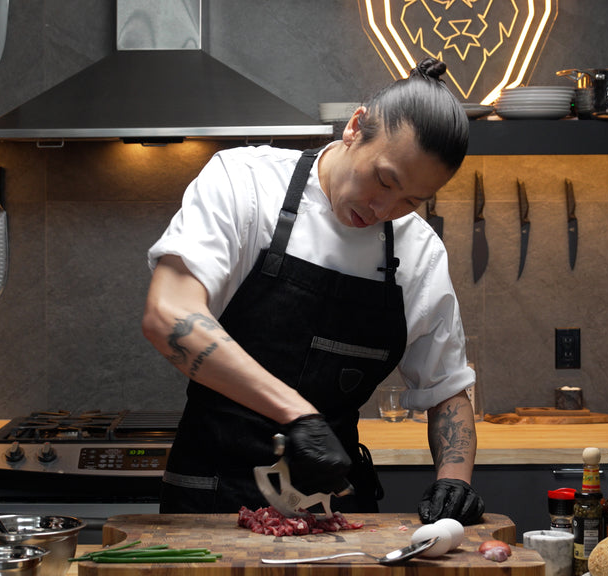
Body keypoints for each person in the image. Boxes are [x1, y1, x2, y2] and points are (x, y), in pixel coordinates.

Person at [142, 57, 485, 525]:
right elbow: (167, 315)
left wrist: (455, 479)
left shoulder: (419, 252)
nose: (384, 207)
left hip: (333, 507)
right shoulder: (245, 184)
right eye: (383, 180)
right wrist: (298, 415)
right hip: (211, 497)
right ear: (355, 126)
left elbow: (446, 389)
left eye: (410, 201)